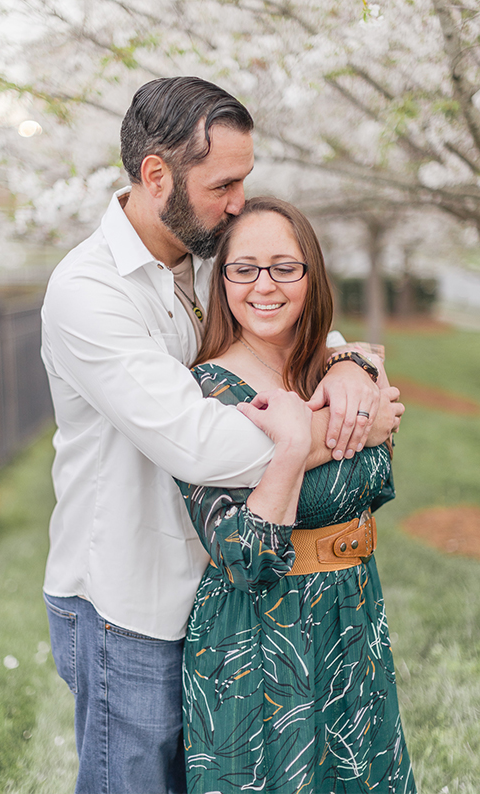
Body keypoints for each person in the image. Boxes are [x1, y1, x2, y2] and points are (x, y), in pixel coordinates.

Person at [40, 77, 404, 794]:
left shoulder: (203, 255)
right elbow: (201, 445)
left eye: (245, 181)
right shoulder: (91, 290)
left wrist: (352, 362)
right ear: (156, 175)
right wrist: (345, 426)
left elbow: (285, 315)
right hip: (130, 605)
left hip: (217, 601)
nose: (239, 201)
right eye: (224, 184)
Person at [175, 196, 414, 793]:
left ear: (311, 276)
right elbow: (245, 556)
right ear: (222, 279)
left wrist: (351, 363)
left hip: (353, 615)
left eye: (285, 267)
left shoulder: (332, 370)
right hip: (258, 637)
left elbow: (375, 482)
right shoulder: (206, 392)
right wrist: (290, 447)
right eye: (244, 269)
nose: (265, 285)